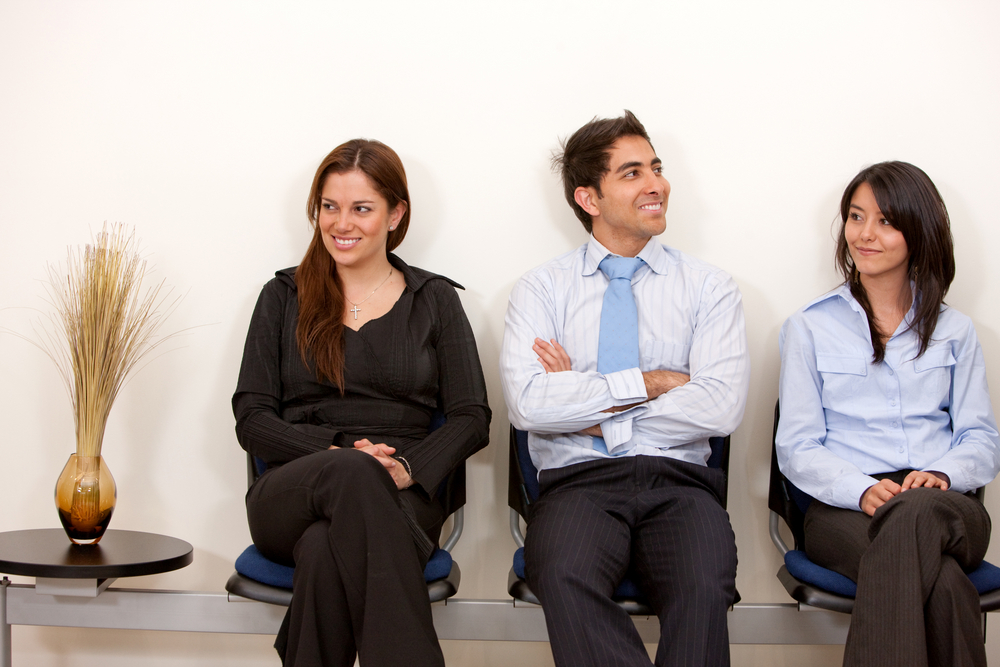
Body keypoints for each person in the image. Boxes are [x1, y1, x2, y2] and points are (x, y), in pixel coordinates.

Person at [499, 111, 749, 667]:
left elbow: (719, 405)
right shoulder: (542, 289)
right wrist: (655, 383)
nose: (657, 183)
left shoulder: (710, 289)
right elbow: (528, 405)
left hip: (681, 483)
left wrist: (582, 400)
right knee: (562, 575)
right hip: (575, 483)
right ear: (589, 198)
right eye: (632, 173)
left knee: (705, 587)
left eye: (656, 168)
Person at [232, 139, 491, 667]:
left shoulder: (435, 300)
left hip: (403, 492)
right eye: (329, 206)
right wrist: (344, 452)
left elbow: (472, 418)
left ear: (396, 214)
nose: (340, 223)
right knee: (350, 471)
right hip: (294, 489)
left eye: (361, 208)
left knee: (327, 552)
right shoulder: (282, 297)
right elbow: (252, 419)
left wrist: (405, 466)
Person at [776, 161, 999, 666]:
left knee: (916, 512)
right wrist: (859, 487)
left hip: (943, 503)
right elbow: (797, 446)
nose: (865, 234)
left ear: (918, 232)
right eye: (856, 217)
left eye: (886, 221)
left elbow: (981, 438)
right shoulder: (809, 328)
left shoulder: (956, 330)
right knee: (943, 585)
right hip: (846, 507)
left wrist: (941, 474)